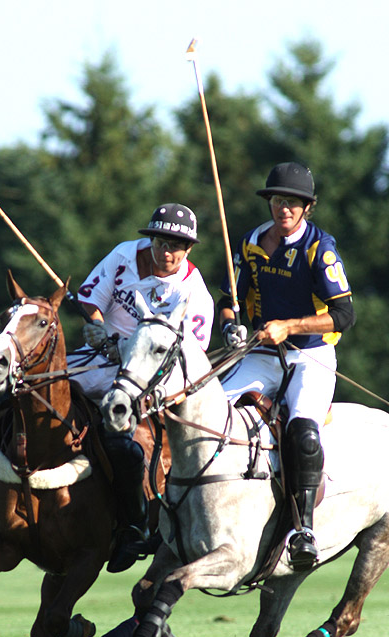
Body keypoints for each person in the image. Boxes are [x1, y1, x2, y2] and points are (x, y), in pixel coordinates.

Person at [218, 162, 355, 571]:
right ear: (270, 202)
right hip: (260, 353)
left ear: (306, 208)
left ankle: (303, 529)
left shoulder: (319, 247)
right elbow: (229, 300)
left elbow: (344, 314)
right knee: (213, 413)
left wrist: (290, 326)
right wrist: (230, 329)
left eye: (293, 203)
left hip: (310, 354)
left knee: (303, 430)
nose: (285, 209)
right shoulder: (249, 243)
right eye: (279, 200)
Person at [69, 203, 214, 572]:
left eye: (177, 246)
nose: (168, 252)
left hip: (150, 378)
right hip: (101, 356)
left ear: (189, 249)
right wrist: (98, 328)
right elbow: (91, 301)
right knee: (32, 388)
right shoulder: (123, 256)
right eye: (162, 242)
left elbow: (189, 360)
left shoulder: (193, 293)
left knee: (127, 442)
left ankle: (133, 526)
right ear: (150, 240)